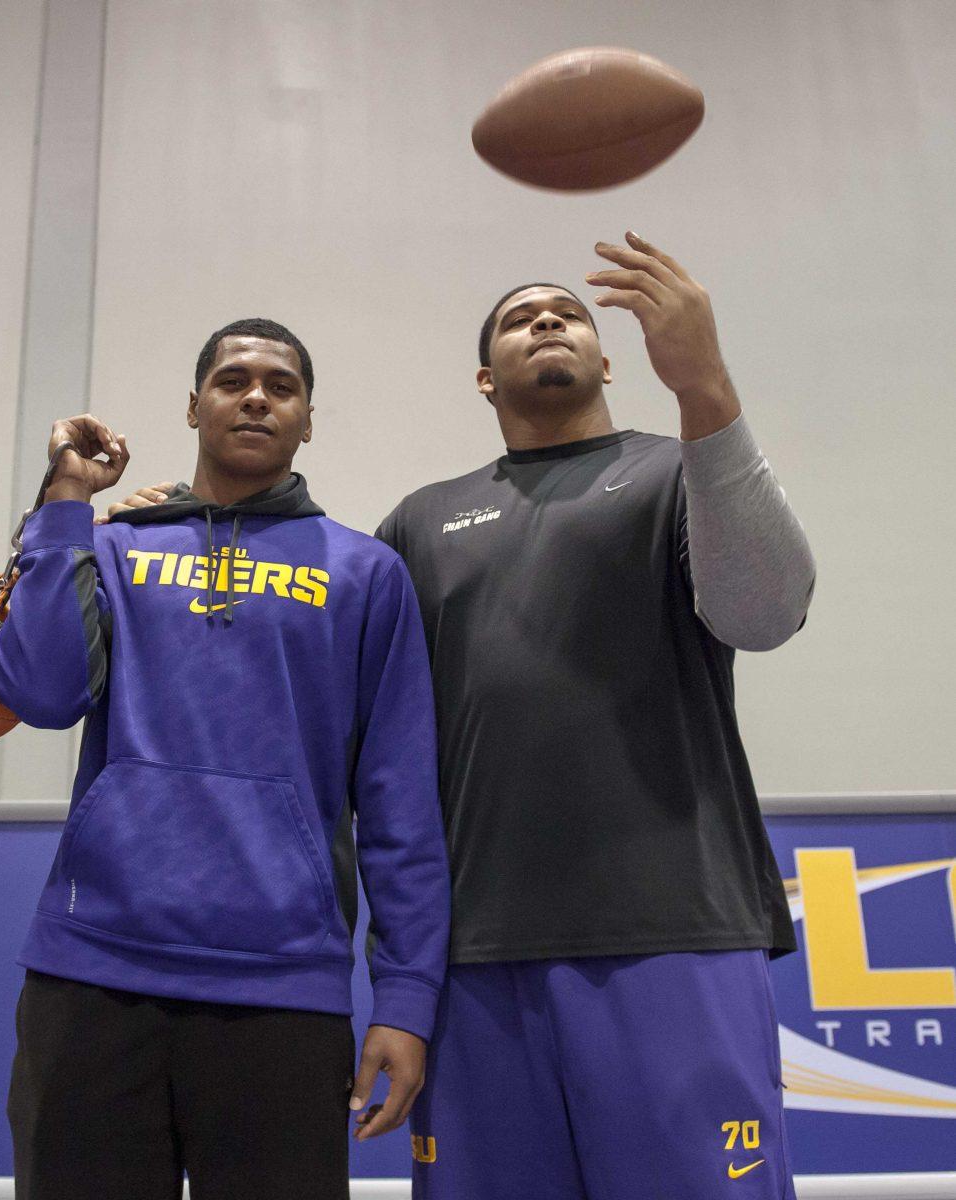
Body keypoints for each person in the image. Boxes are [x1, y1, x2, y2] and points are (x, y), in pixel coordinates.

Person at [110, 234, 816, 1199]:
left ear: (608, 360)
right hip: (474, 960)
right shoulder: (420, 523)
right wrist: (180, 525)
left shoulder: (676, 470)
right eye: (519, 319)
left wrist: (706, 389)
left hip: (673, 930)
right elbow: (343, 716)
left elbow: (768, 612)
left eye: (564, 311)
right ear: (486, 379)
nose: (545, 321)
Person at [0, 317, 450, 1200]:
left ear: (308, 419)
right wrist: (62, 508)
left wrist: (405, 999)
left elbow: (401, 808)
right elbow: (42, 696)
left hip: (283, 986)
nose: (255, 397)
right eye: (233, 380)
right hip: (93, 973)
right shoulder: (116, 547)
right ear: (194, 406)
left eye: (281, 386)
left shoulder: (367, 573)